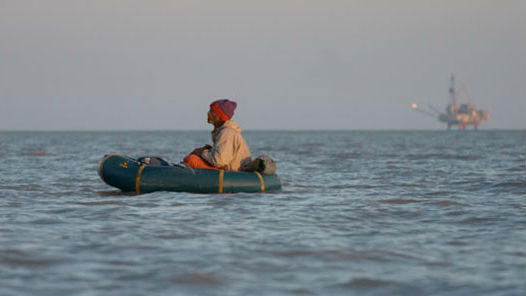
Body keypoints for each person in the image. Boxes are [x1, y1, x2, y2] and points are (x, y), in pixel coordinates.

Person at [183, 99, 252, 171]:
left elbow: (219, 161)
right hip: (228, 168)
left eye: (212, 112)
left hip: (233, 173)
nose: (208, 113)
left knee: (191, 160)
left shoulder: (227, 133)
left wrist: (201, 152)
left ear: (220, 116)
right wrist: (208, 150)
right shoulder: (225, 131)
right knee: (194, 157)